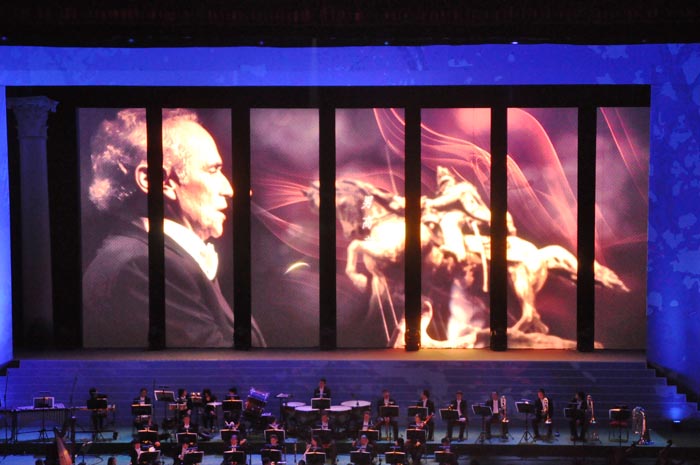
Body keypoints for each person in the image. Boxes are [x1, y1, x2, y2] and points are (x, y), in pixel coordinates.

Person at [83, 108, 266, 348]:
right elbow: (224, 367)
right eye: (212, 170)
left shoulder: (153, 259)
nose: (229, 189)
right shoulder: (143, 266)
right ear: (155, 180)